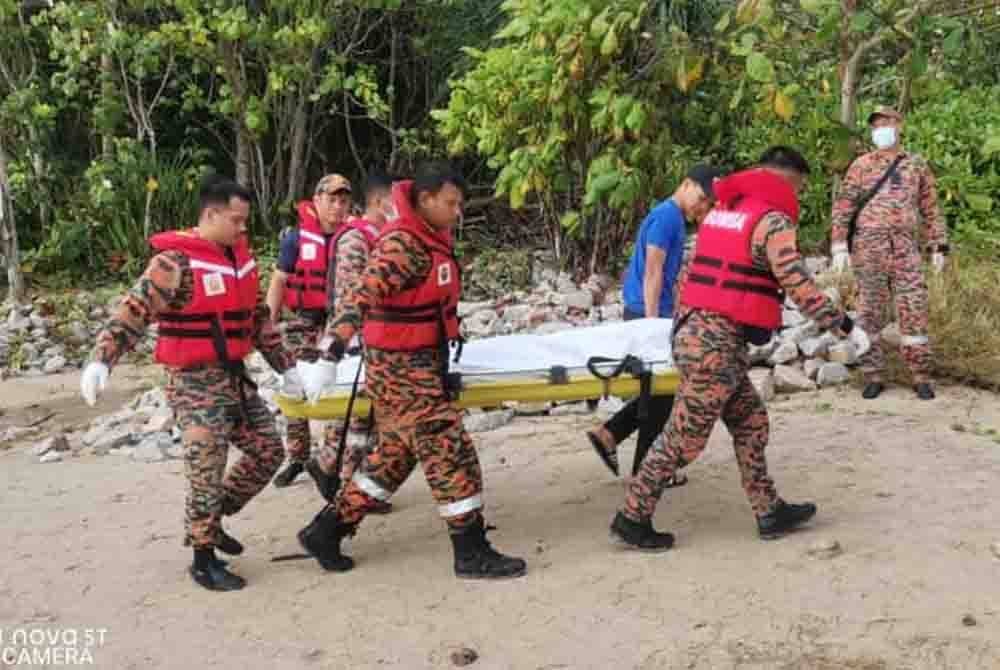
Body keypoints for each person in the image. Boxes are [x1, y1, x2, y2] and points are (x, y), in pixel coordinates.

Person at [609, 147, 872, 551]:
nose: (797, 196)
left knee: (751, 421)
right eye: (799, 187)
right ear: (786, 180)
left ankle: (769, 511)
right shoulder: (771, 220)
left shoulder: (722, 213)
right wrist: (846, 328)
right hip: (714, 344)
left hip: (702, 335)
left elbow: (689, 276)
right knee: (681, 438)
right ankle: (632, 515)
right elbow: (798, 284)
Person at [295, 162, 527, 579]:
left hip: (416, 365)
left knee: (394, 458)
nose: (457, 212)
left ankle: (327, 530)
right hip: (404, 372)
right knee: (452, 452)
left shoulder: (429, 236)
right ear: (426, 200)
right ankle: (470, 551)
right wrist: (330, 350)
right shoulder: (402, 244)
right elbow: (359, 295)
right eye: (451, 203)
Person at [79, 175, 305, 591]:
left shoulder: (240, 257)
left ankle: (213, 521)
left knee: (269, 450)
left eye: (245, 221)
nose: (243, 228)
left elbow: (257, 320)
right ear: (212, 214)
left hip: (235, 378)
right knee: (206, 468)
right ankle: (203, 560)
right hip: (194, 382)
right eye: (236, 220)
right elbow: (134, 311)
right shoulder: (174, 263)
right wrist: (101, 361)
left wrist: (285, 367)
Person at [586, 164, 722, 480]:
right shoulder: (667, 217)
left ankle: (614, 440)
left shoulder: (671, 218)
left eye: (708, 203)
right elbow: (653, 270)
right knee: (661, 393)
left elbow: (668, 276)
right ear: (686, 184)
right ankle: (642, 465)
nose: (702, 207)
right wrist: (651, 322)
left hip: (652, 309)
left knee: (659, 391)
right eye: (702, 198)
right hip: (645, 311)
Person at [830, 106, 948, 401]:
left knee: (914, 307)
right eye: (875, 124)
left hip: (906, 246)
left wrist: (938, 245)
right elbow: (844, 206)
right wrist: (839, 245)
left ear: (899, 124)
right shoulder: (860, 165)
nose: (880, 127)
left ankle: (920, 376)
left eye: (886, 122)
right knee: (869, 310)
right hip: (869, 247)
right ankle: (873, 375)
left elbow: (931, 208)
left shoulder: (915, 165)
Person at [306, 171, 396, 513]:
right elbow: (348, 299)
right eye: (396, 202)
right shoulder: (355, 240)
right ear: (378, 202)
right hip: (355, 342)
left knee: (364, 420)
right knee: (354, 414)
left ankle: (346, 479)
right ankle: (332, 470)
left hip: (374, 339)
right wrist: (347, 344)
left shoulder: (379, 235)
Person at [268, 174, 352, 487]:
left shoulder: (353, 236)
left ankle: (333, 459)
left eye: (343, 201)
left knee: (342, 382)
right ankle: (298, 456)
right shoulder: (296, 238)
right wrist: (269, 321)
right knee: (294, 382)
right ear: (316, 201)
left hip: (339, 317)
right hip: (302, 316)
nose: (338, 206)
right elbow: (279, 280)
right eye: (332, 199)